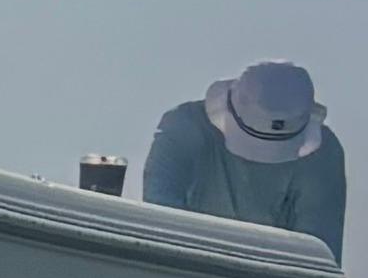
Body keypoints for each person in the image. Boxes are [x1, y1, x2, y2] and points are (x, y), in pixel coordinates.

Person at [139, 59, 347, 256]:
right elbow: (161, 221)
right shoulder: (185, 128)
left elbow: (317, 253)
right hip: (182, 273)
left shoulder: (324, 156)